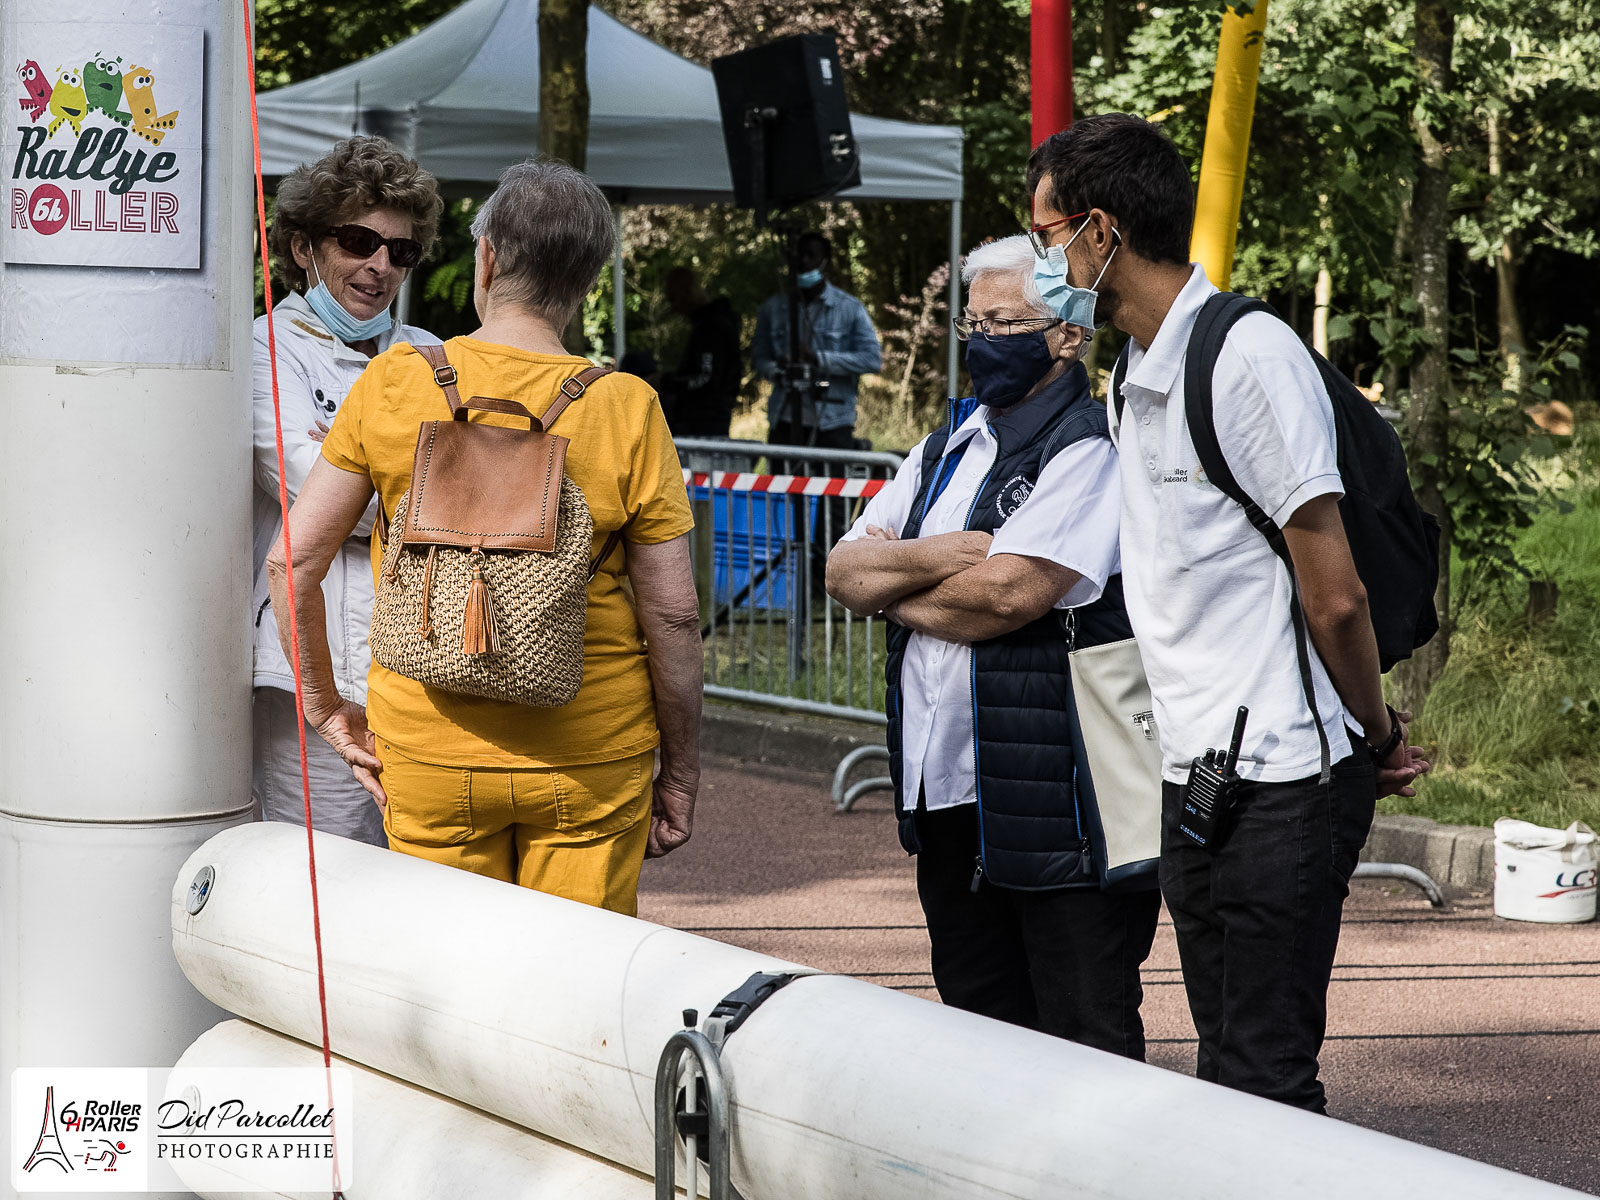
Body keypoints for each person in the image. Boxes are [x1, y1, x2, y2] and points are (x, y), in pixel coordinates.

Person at [1027, 115, 1431, 1109]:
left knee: (1264, 1079)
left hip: (1286, 781)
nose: (1040, 264)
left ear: (1102, 231)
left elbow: (1335, 594)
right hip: (1192, 774)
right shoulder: (1132, 374)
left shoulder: (1246, 357)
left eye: (1046, 236)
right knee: (1224, 1076)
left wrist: (1374, 735)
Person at [265, 159, 702, 915]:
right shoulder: (628, 407)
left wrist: (327, 709)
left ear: (487, 258)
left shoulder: (396, 380)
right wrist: (682, 773)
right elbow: (674, 614)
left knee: (441, 961)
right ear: (587, 280)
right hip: (590, 751)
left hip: (424, 744)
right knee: (575, 967)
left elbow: (292, 560)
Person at [824, 236, 1161, 1057]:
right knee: (976, 1034)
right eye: (972, 323)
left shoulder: (1089, 447)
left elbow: (1008, 595)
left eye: (1005, 323)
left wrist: (894, 588)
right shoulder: (944, 444)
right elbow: (841, 571)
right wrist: (951, 553)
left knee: (1084, 1037)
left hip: (1061, 806)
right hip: (943, 795)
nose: (983, 341)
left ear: (1069, 335)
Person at [252, 135, 444, 847]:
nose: (380, 266)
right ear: (303, 247)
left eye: (401, 250)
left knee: (418, 871)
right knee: (322, 867)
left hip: (428, 665)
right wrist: (429, 491)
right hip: (314, 670)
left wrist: (360, 473)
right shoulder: (265, 349)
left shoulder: (431, 353)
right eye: (359, 241)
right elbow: (319, 500)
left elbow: (470, 501)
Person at [752, 231, 882, 448]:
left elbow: (872, 360)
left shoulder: (849, 308)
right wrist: (778, 369)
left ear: (826, 263)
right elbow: (758, 360)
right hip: (784, 418)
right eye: (799, 256)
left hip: (833, 422)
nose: (804, 261)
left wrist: (818, 358)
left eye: (811, 255)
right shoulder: (773, 309)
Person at [660, 267, 742, 438]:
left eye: (674, 299)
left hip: (705, 421)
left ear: (687, 292)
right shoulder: (711, 323)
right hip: (705, 418)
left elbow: (706, 379)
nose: (674, 307)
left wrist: (665, 382)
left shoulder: (711, 327)